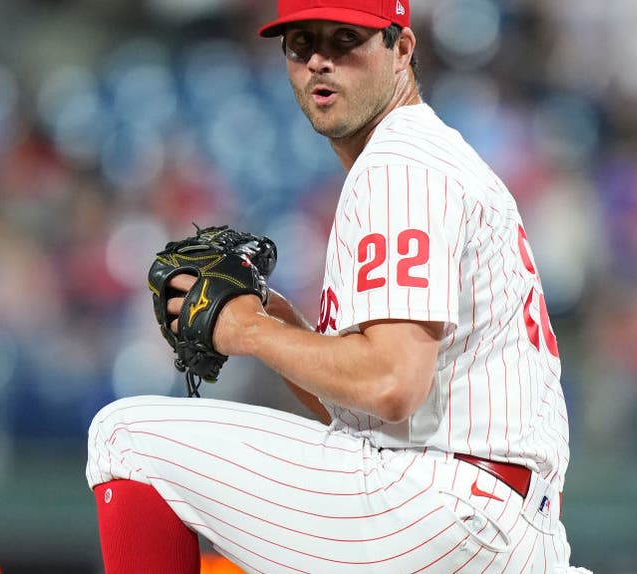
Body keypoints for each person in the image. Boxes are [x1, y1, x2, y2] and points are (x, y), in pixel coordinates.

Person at [86, 0, 589, 572]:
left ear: (401, 50)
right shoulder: (430, 157)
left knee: (125, 438)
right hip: (501, 521)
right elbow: (372, 408)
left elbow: (391, 383)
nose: (320, 61)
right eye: (302, 44)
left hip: (445, 507)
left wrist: (247, 331)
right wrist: (276, 322)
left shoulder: (400, 166)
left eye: (345, 39)